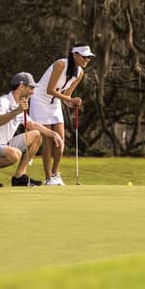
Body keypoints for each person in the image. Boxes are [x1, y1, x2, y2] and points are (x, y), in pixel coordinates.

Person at [0, 72, 62, 188]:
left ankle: (19, 177)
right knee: (14, 154)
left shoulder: (18, 106)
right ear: (22, 86)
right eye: (31, 88)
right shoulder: (2, 101)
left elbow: (33, 125)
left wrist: (54, 134)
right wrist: (17, 111)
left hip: (4, 145)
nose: (32, 92)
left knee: (37, 135)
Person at [29, 44, 94, 185]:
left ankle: (55, 174)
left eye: (88, 57)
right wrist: (69, 99)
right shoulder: (60, 64)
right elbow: (50, 89)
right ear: (75, 55)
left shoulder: (80, 73)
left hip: (55, 103)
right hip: (40, 100)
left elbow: (66, 95)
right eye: (84, 56)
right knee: (48, 140)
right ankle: (48, 178)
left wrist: (73, 103)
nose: (87, 59)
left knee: (60, 138)